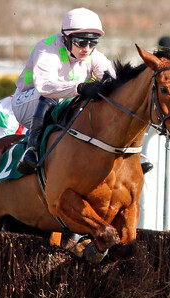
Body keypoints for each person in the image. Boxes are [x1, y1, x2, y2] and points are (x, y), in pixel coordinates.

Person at [13, 7, 115, 175]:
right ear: (66, 38)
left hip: (62, 103)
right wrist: (81, 87)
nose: (87, 48)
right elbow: (45, 86)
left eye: (93, 43)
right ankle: (32, 150)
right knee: (48, 96)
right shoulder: (46, 48)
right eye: (81, 42)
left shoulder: (93, 55)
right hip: (26, 104)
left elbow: (113, 82)